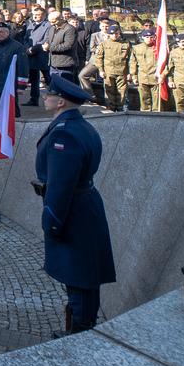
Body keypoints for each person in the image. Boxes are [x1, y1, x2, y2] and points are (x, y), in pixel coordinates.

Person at [36, 75, 116, 337]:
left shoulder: (65, 134)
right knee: (84, 270)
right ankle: (83, 323)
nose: (45, 96)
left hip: (73, 209)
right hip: (85, 203)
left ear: (61, 101)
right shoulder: (80, 125)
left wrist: (52, 220)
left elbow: (60, 185)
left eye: (49, 94)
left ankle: (81, 332)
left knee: (79, 274)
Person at [0, 21, 29, 118]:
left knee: (12, 113)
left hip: (10, 86)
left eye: (1, 32)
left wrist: (21, 86)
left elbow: (23, 67)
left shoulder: (17, 47)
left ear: (8, 33)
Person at [94, 24, 132, 111]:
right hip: (108, 71)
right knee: (109, 91)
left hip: (122, 71)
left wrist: (130, 72)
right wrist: (101, 70)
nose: (114, 36)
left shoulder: (126, 44)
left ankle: (122, 108)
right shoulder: (103, 44)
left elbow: (130, 59)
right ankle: (111, 108)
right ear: (108, 34)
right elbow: (99, 58)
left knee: (122, 92)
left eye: (116, 33)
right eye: (112, 34)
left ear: (119, 33)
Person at [22, 7, 52, 106]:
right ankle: (34, 99)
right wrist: (27, 48)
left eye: (38, 14)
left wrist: (33, 49)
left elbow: (46, 40)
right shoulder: (30, 25)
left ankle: (54, 98)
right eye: (34, 14)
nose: (35, 16)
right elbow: (26, 39)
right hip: (31, 55)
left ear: (44, 15)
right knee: (33, 79)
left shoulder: (48, 25)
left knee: (48, 78)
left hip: (42, 55)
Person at [130, 29, 160, 112]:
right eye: (147, 37)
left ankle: (156, 115)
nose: (149, 39)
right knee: (144, 100)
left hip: (155, 78)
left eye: (151, 37)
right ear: (142, 37)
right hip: (142, 77)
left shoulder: (158, 48)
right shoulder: (137, 48)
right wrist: (134, 76)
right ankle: (144, 114)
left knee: (156, 101)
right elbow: (133, 63)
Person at [44, 10, 78, 80]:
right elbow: (49, 40)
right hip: (53, 63)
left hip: (65, 63)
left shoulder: (70, 29)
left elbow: (68, 46)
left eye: (54, 21)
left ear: (61, 19)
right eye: (50, 22)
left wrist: (49, 47)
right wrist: (46, 44)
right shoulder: (52, 28)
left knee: (66, 86)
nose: (52, 24)